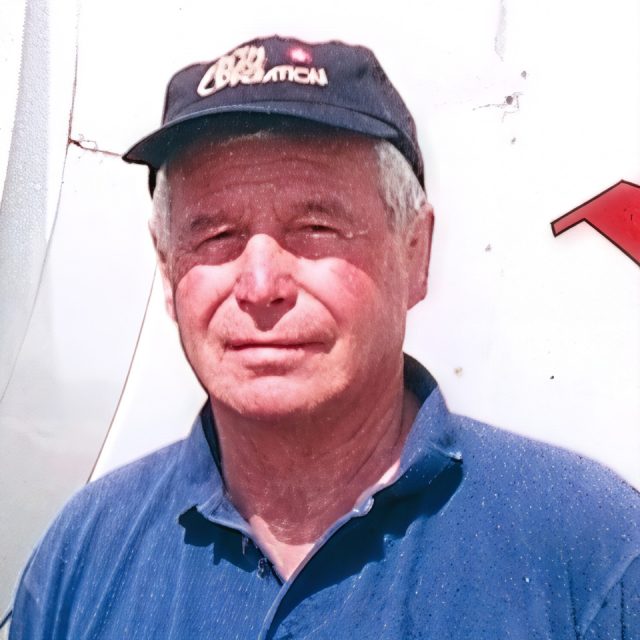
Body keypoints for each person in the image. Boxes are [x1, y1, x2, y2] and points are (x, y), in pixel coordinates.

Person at [6, 36, 640, 639]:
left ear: (414, 255)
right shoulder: (83, 559)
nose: (259, 284)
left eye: (315, 227)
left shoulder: (588, 551)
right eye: (216, 236)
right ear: (168, 268)